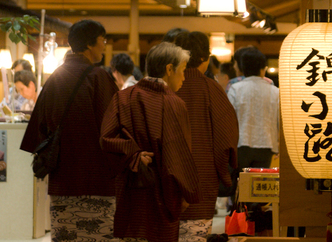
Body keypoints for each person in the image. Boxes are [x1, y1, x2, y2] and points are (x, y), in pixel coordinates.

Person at [20, 19, 119, 241]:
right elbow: (114, 126)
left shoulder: (55, 78)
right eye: (102, 40)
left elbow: (38, 130)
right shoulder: (99, 78)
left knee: (66, 235)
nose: (104, 45)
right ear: (90, 45)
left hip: (62, 179)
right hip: (97, 178)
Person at [100, 42, 200, 242]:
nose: (184, 77)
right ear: (169, 69)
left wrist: (133, 154)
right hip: (164, 194)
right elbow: (180, 156)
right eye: (182, 71)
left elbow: (106, 138)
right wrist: (187, 192)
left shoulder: (122, 97)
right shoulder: (175, 104)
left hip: (130, 189)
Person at [172, 32, 238, 241]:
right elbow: (226, 139)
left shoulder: (164, 87)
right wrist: (223, 174)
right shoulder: (212, 90)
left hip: (164, 184)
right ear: (205, 59)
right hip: (201, 182)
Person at [227, 47, 280, 177]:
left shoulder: (236, 89)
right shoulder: (275, 91)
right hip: (266, 144)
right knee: (257, 186)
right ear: (263, 69)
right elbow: (280, 121)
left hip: (241, 144)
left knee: (240, 185)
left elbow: (228, 120)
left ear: (242, 68)